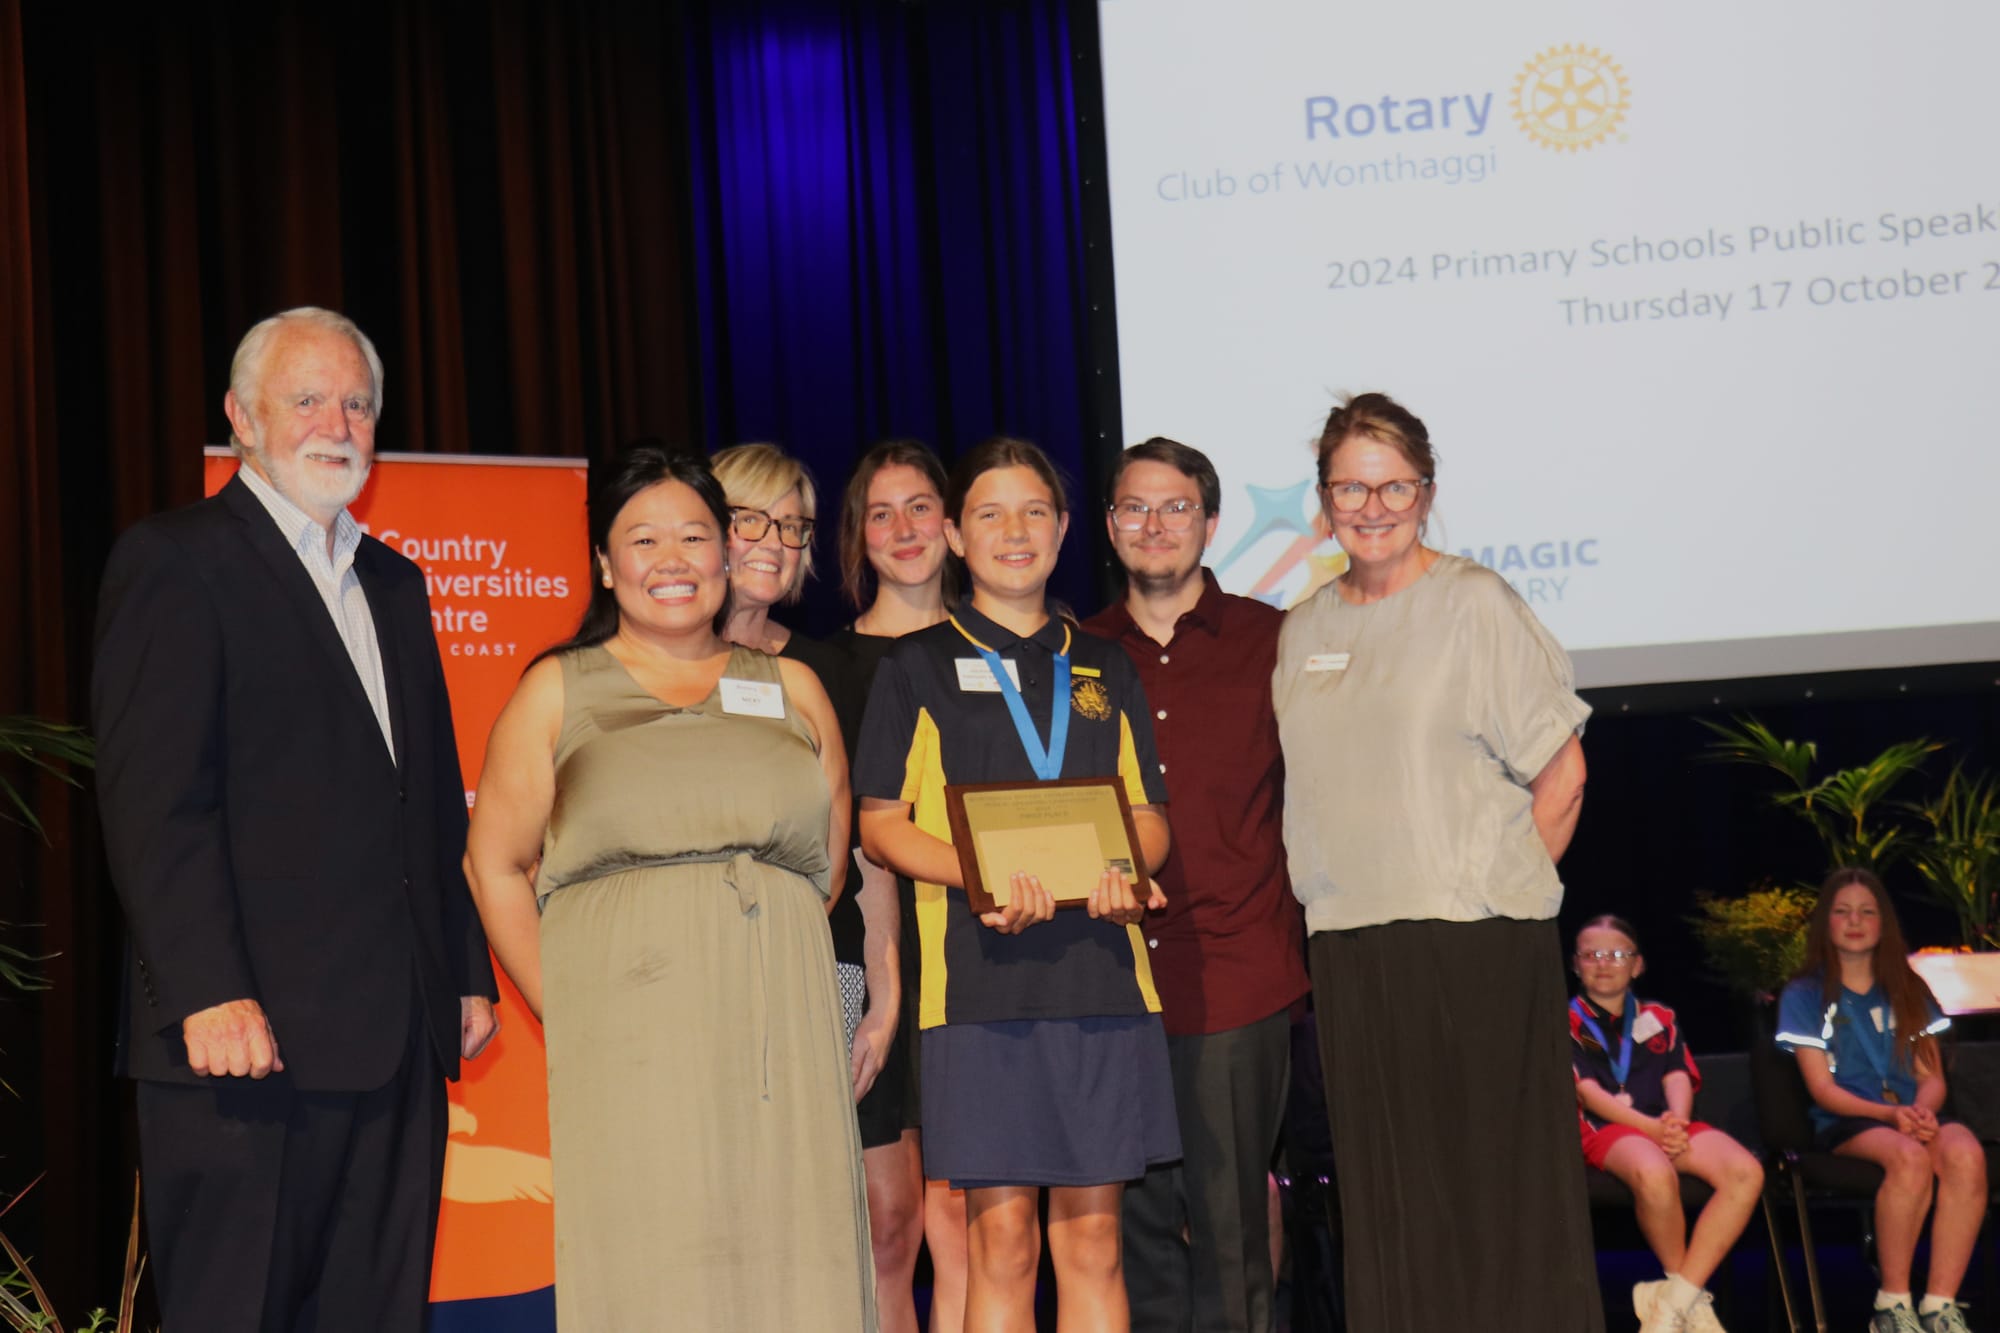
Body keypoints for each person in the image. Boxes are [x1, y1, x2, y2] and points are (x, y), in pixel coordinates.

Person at [91, 307, 498, 1333]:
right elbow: (154, 801)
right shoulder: (175, 561)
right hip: (244, 1043)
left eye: (357, 402)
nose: (338, 421)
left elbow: (427, 797)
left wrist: (460, 970)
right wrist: (208, 991)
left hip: (396, 1039)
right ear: (242, 416)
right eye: (308, 397)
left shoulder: (397, 585)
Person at [463, 443, 877, 1330]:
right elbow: (492, 864)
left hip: (784, 1028)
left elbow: (828, 865)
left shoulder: (796, 689)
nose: (674, 560)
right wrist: (566, 1004)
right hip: (627, 1030)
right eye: (644, 540)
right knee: (653, 1252)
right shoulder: (557, 689)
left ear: (727, 557)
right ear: (607, 566)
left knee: (794, 1248)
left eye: (695, 536)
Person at [1271, 392, 1598, 1332]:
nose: (1373, 507)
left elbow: (1563, 773)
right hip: (1352, 951)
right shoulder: (1302, 632)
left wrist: (1500, 894)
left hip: (1477, 941)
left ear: (1428, 491)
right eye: (1350, 488)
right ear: (1323, 500)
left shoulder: (1475, 602)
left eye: (1394, 486)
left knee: (1498, 1194)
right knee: (1393, 1201)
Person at [855, 436, 1180, 1331]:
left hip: (1103, 985)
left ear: (1066, 528)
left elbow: (1149, 815)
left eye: (1035, 510)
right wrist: (983, 873)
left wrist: (1126, 868)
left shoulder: (1107, 664)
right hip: (980, 993)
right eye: (989, 513)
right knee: (1000, 1247)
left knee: (1093, 1244)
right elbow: (878, 823)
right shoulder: (914, 668)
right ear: (957, 535)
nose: (1014, 530)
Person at [1081, 438, 1308, 1333]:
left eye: (1176, 507)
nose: (1155, 524)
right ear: (1108, 526)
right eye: (1135, 507)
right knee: (1132, 1237)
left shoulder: (1274, 640)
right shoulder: (1073, 651)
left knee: (1231, 1234)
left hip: (1238, 972)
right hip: (1107, 977)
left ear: (1211, 523)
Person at [818, 441, 971, 1333]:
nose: (904, 529)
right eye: (881, 513)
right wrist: (882, 986)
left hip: (981, 942)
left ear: (951, 524)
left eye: (920, 507)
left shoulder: (1002, 648)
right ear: (856, 538)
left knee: (966, 1223)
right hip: (872, 954)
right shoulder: (823, 666)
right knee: (886, 1224)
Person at [1777, 868, 1986, 1333]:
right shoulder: (1805, 994)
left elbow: (1930, 1075)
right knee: (1909, 1159)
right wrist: (1891, 1115)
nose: (1855, 921)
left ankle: (1939, 1305)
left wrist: (1922, 1110)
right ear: (1826, 923)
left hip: (1913, 1113)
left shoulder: (1908, 987)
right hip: (1851, 1118)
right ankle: (1892, 1306)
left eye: (1867, 912)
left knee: (1965, 1153)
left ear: (1884, 923)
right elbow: (1822, 1090)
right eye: (1843, 911)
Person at [1569, 916, 1764, 1333]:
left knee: (1746, 1172)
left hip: (1666, 1123)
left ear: (1637, 965)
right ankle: (1687, 1304)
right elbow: (1588, 1093)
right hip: (1608, 1128)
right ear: (1576, 965)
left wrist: (1676, 1119)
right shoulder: (1566, 1021)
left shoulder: (1659, 1016)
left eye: (1618, 954)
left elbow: (1676, 1074)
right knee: (1654, 1172)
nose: (1605, 963)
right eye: (1592, 954)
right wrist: (1652, 1130)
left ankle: (1674, 1299)